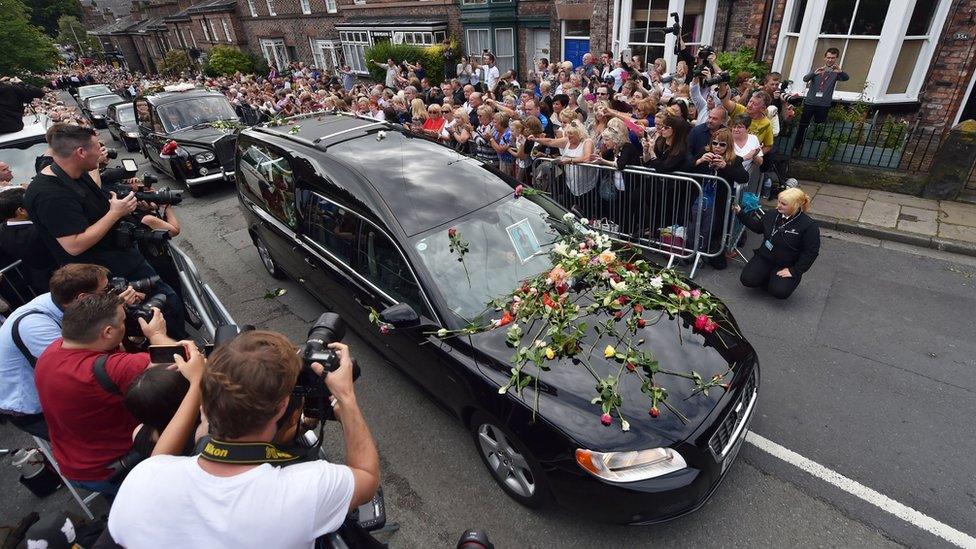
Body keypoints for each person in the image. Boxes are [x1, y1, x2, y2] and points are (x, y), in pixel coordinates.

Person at [108, 331, 380, 548]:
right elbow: (366, 477)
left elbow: (159, 463)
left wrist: (196, 386)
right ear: (282, 406)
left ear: (205, 403)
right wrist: (346, 397)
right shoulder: (303, 491)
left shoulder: (142, 479)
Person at [23, 124, 187, 339]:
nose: (102, 150)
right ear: (80, 152)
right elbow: (73, 244)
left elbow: (99, 207)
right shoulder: (49, 194)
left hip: (126, 259)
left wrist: (131, 206)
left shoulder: (76, 173)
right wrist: (115, 213)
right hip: (105, 275)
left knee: (169, 304)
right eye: (96, 147)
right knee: (163, 309)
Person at [34, 292, 174, 495]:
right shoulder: (113, 368)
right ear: (107, 332)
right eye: (124, 321)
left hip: (75, 466)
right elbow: (181, 361)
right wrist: (157, 335)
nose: (127, 324)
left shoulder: (50, 353)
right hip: (117, 467)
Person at [0, 264, 141, 440]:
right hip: (32, 408)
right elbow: (84, 364)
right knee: (105, 442)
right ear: (82, 297)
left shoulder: (63, 302)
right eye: (106, 290)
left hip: (56, 391)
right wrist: (114, 319)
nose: (111, 293)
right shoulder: (35, 326)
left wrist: (116, 309)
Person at [733, 187, 820, 299]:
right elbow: (757, 228)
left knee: (779, 292)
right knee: (747, 280)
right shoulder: (772, 214)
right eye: (779, 201)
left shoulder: (809, 226)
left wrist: (795, 271)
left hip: (787, 264)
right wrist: (740, 213)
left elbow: (811, 252)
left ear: (795, 205)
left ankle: (777, 280)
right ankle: (767, 276)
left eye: (783, 204)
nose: (778, 205)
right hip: (765, 257)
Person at [0, 187, 57, 292]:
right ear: (21, 211)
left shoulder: (3, 229)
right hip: (53, 277)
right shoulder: (37, 233)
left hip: (35, 281)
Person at [794, 48, 849, 150]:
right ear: (825, 58)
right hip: (810, 103)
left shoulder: (836, 72)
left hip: (824, 105)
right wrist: (814, 73)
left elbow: (846, 78)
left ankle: (813, 148)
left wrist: (840, 71)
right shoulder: (817, 69)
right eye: (828, 57)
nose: (830, 60)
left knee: (819, 127)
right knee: (802, 125)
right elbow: (805, 79)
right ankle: (797, 147)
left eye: (832, 58)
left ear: (836, 58)